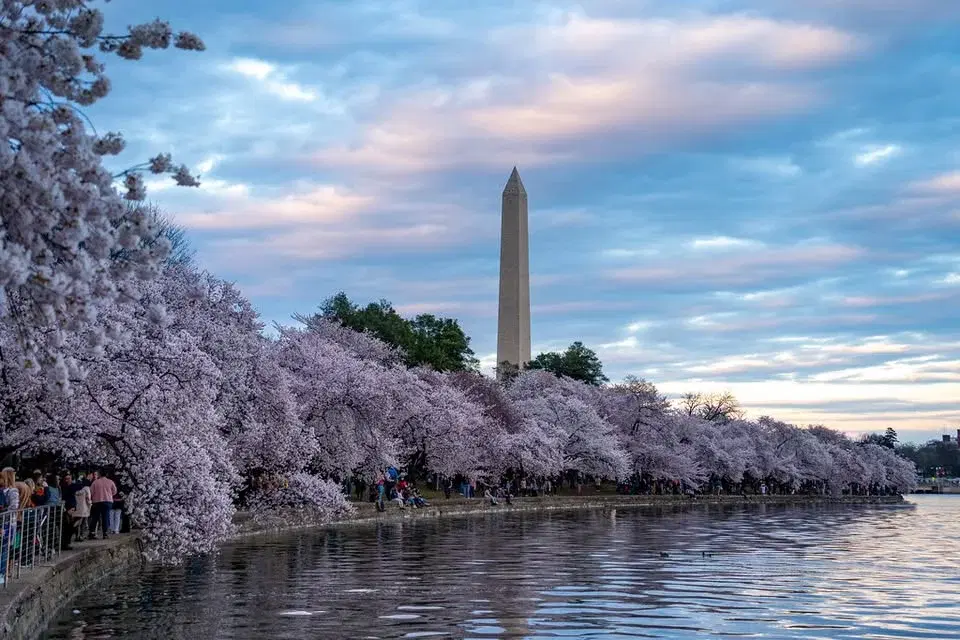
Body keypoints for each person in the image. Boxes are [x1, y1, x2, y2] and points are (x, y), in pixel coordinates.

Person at [89, 470, 116, 540]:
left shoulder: (95, 482)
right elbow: (114, 491)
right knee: (105, 517)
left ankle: (92, 532)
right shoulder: (110, 481)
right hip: (108, 501)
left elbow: (91, 492)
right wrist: (109, 494)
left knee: (95, 517)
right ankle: (105, 533)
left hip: (97, 502)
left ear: (99, 474)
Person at [72, 474, 91, 542]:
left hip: (76, 508)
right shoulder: (87, 489)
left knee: (77, 522)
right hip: (84, 508)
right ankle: (81, 536)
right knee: (82, 523)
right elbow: (88, 499)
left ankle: (77, 535)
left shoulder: (76, 491)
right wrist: (90, 504)